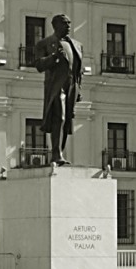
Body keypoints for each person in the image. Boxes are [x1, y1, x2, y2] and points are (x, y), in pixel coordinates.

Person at [31, 14, 83, 166]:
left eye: (69, 23)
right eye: (65, 23)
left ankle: (59, 152)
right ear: (55, 25)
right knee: (58, 118)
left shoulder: (77, 45)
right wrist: (54, 57)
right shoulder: (45, 43)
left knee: (66, 120)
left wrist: (79, 89)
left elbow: (78, 69)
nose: (68, 26)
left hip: (71, 86)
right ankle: (56, 154)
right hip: (56, 86)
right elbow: (39, 65)